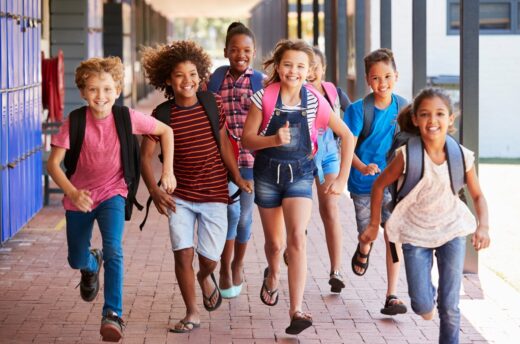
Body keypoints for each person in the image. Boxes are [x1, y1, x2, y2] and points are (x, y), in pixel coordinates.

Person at [47, 56, 175, 342]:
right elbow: (53, 164)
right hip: (79, 197)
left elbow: (165, 131)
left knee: (114, 249)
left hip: (113, 192)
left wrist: (167, 171)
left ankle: (113, 314)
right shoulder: (76, 121)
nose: (100, 96)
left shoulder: (126, 117)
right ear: (82, 92)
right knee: (75, 258)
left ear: (117, 90)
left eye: (107, 89)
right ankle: (91, 262)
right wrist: (72, 192)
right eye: (93, 89)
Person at [359, 87, 490, 344]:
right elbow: (378, 186)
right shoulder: (407, 156)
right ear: (416, 119)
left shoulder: (461, 156)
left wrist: (483, 226)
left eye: (440, 114)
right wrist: (374, 224)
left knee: (450, 307)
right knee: (421, 304)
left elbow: (477, 196)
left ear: (451, 119)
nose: (433, 120)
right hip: (414, 234)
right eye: (426, 114)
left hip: (451, 231)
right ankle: (427, 300)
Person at [242, 39, 355, 335]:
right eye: (289, 65)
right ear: (278, 67)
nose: (294, 71)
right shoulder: (263, 98)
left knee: (297, 240)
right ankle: (273, 273)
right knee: (276, 245)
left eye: (301, 66)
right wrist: (273, 140)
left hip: (301, 175)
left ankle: (296, 310)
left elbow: (347, 135)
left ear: (309, 71)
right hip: (267, 175)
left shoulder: (315, 101)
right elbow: (247, 140)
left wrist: (342, 179)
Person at [140, 40, 253, 334]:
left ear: (200, 75)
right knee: (182, 254)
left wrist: (237, 177)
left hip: (215, 192)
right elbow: (145, 158)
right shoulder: (162, 115)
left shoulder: (211, 103)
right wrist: (154, 190)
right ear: (167, 78)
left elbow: (226, 144)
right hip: (178, 196)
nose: (186, 80)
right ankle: (192, 312)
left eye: (192, 74)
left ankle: (206, 276)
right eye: (179, 75)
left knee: (209, 259)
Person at [344, 48, 408, 315]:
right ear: (368, 81)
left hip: (391, 184)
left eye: (388, 76)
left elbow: (410, 145)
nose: (383, 83)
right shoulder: (359, 110)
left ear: (397, 76)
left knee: (393, 236)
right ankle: (363, 247)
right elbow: (346, 147)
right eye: (376, 78)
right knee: (368, 233)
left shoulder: (404, 108)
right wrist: (362, 166)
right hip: (363, 185)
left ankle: (392, 295)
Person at [207, 22, 262, 299]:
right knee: (230, 214)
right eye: (235, 49)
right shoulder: (216, 80)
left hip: (252, 162)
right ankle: (226, 267)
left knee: (244, 218)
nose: (241, 54)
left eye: (247, 50)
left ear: (254, 52)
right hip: (224, 161)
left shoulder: (260, 82)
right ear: (226, 51)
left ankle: (239, 262)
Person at [306, 46, 351, 293]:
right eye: (307, 66)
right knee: (298, 212)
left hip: (329, 156)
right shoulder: (295, 92)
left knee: (330, 208)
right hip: (301, 157)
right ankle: (293, 245)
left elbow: (354, 119)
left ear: (324, 69)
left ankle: (336, 270)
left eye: (316, 66)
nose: (312, 71)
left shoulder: (334, 92)